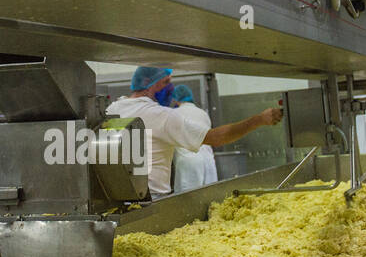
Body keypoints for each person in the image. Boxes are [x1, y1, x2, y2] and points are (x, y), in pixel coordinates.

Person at [107, 66, 282, 197]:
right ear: (150, 85)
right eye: (166, 82)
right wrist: (259, 119)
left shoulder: (112, 108)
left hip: (119, 197)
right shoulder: (161, 115)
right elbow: (216, 138)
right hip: (151, 199)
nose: (171, 88)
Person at [167, 85, 219, 192]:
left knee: (188, 201)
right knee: (210, 198)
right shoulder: (203, 113)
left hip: (189, 162)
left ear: (176, 99)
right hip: (208, 160)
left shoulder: (174, 114)